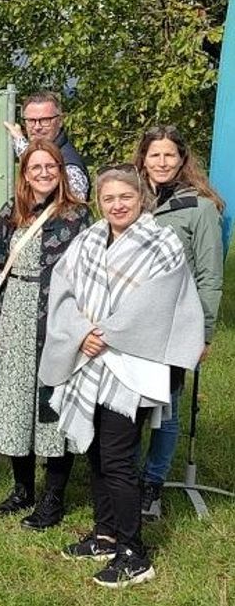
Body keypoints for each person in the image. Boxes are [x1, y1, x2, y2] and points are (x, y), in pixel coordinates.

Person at [41, 165, 204, 588]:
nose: (117, 205)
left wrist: (103, 334)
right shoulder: (90, 237)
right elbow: (64, 288)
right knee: (95, 452)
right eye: (109, 198)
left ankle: (135, 553)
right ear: (100, 202)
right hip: (89, 359)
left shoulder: (162, 242)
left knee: (118, 459)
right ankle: (106, 534)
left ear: (140, 199)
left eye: (125, 198)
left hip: (132, 364)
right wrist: (81, 334)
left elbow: (158, 303)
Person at [0, 140, 91, 529]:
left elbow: (91, 279)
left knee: (52, 408)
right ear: (24, 173)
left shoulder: (77, 216)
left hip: (57, 321)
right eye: (35, 167)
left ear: (61, 171)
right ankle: (23, 489)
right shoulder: (11, 212)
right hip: (15, 317)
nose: (43, 173)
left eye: (50, 166)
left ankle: (53, 498)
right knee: (16, 405)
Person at [133, 125, 224, 520]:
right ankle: (127, 479)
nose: (162, 162)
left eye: (169, 154)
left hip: (174, 326)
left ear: (183, 159)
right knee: (130, 406)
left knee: (165, 407)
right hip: (131, 325)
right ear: (143, 159)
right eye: (155, 155)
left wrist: (203, 331)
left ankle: (153, 483)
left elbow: (210, 275)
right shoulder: (131, 200)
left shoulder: (200, 207)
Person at [4, 91, 90, 200]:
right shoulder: (39, 151)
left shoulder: (71, 167)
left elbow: (73, 207)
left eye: (45, 120)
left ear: (60, 121)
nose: (37, 127)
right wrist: (19, 140)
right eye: (31, 120)